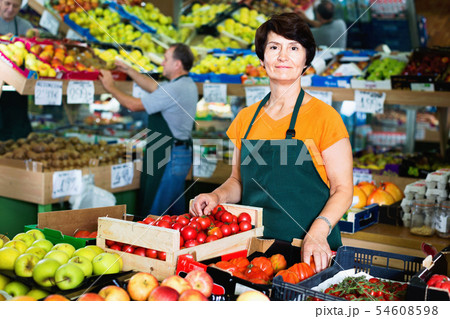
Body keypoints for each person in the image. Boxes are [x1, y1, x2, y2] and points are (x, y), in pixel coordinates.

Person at [190, 13, 353, 273]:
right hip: (253, 252)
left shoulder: (325, 118)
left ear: (306, 60)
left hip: (310, 252)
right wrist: (215, 195)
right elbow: (238, 181)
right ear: (262, 58)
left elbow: (343, 189)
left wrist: (319, 230)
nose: (283, 56)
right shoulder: (246, 118)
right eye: (274, 47)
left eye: (294, 48)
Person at [99, 43, 198, 217]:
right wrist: (129, 70)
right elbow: (152, 87)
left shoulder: (175, 88)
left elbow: (133, 105)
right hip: (179, 153)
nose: (162, 63)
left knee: (155, 215)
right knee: (174, 214)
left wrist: (110, 87)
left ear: (177, 64)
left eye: (166, 59)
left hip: (168, 155)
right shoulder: (186, 83)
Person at [0, 0, 36, 141]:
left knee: (17, 138)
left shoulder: (25, 27)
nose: (10, 9)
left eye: (15, 6)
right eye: (7, 4)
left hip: (16, 92)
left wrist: (34, 39)